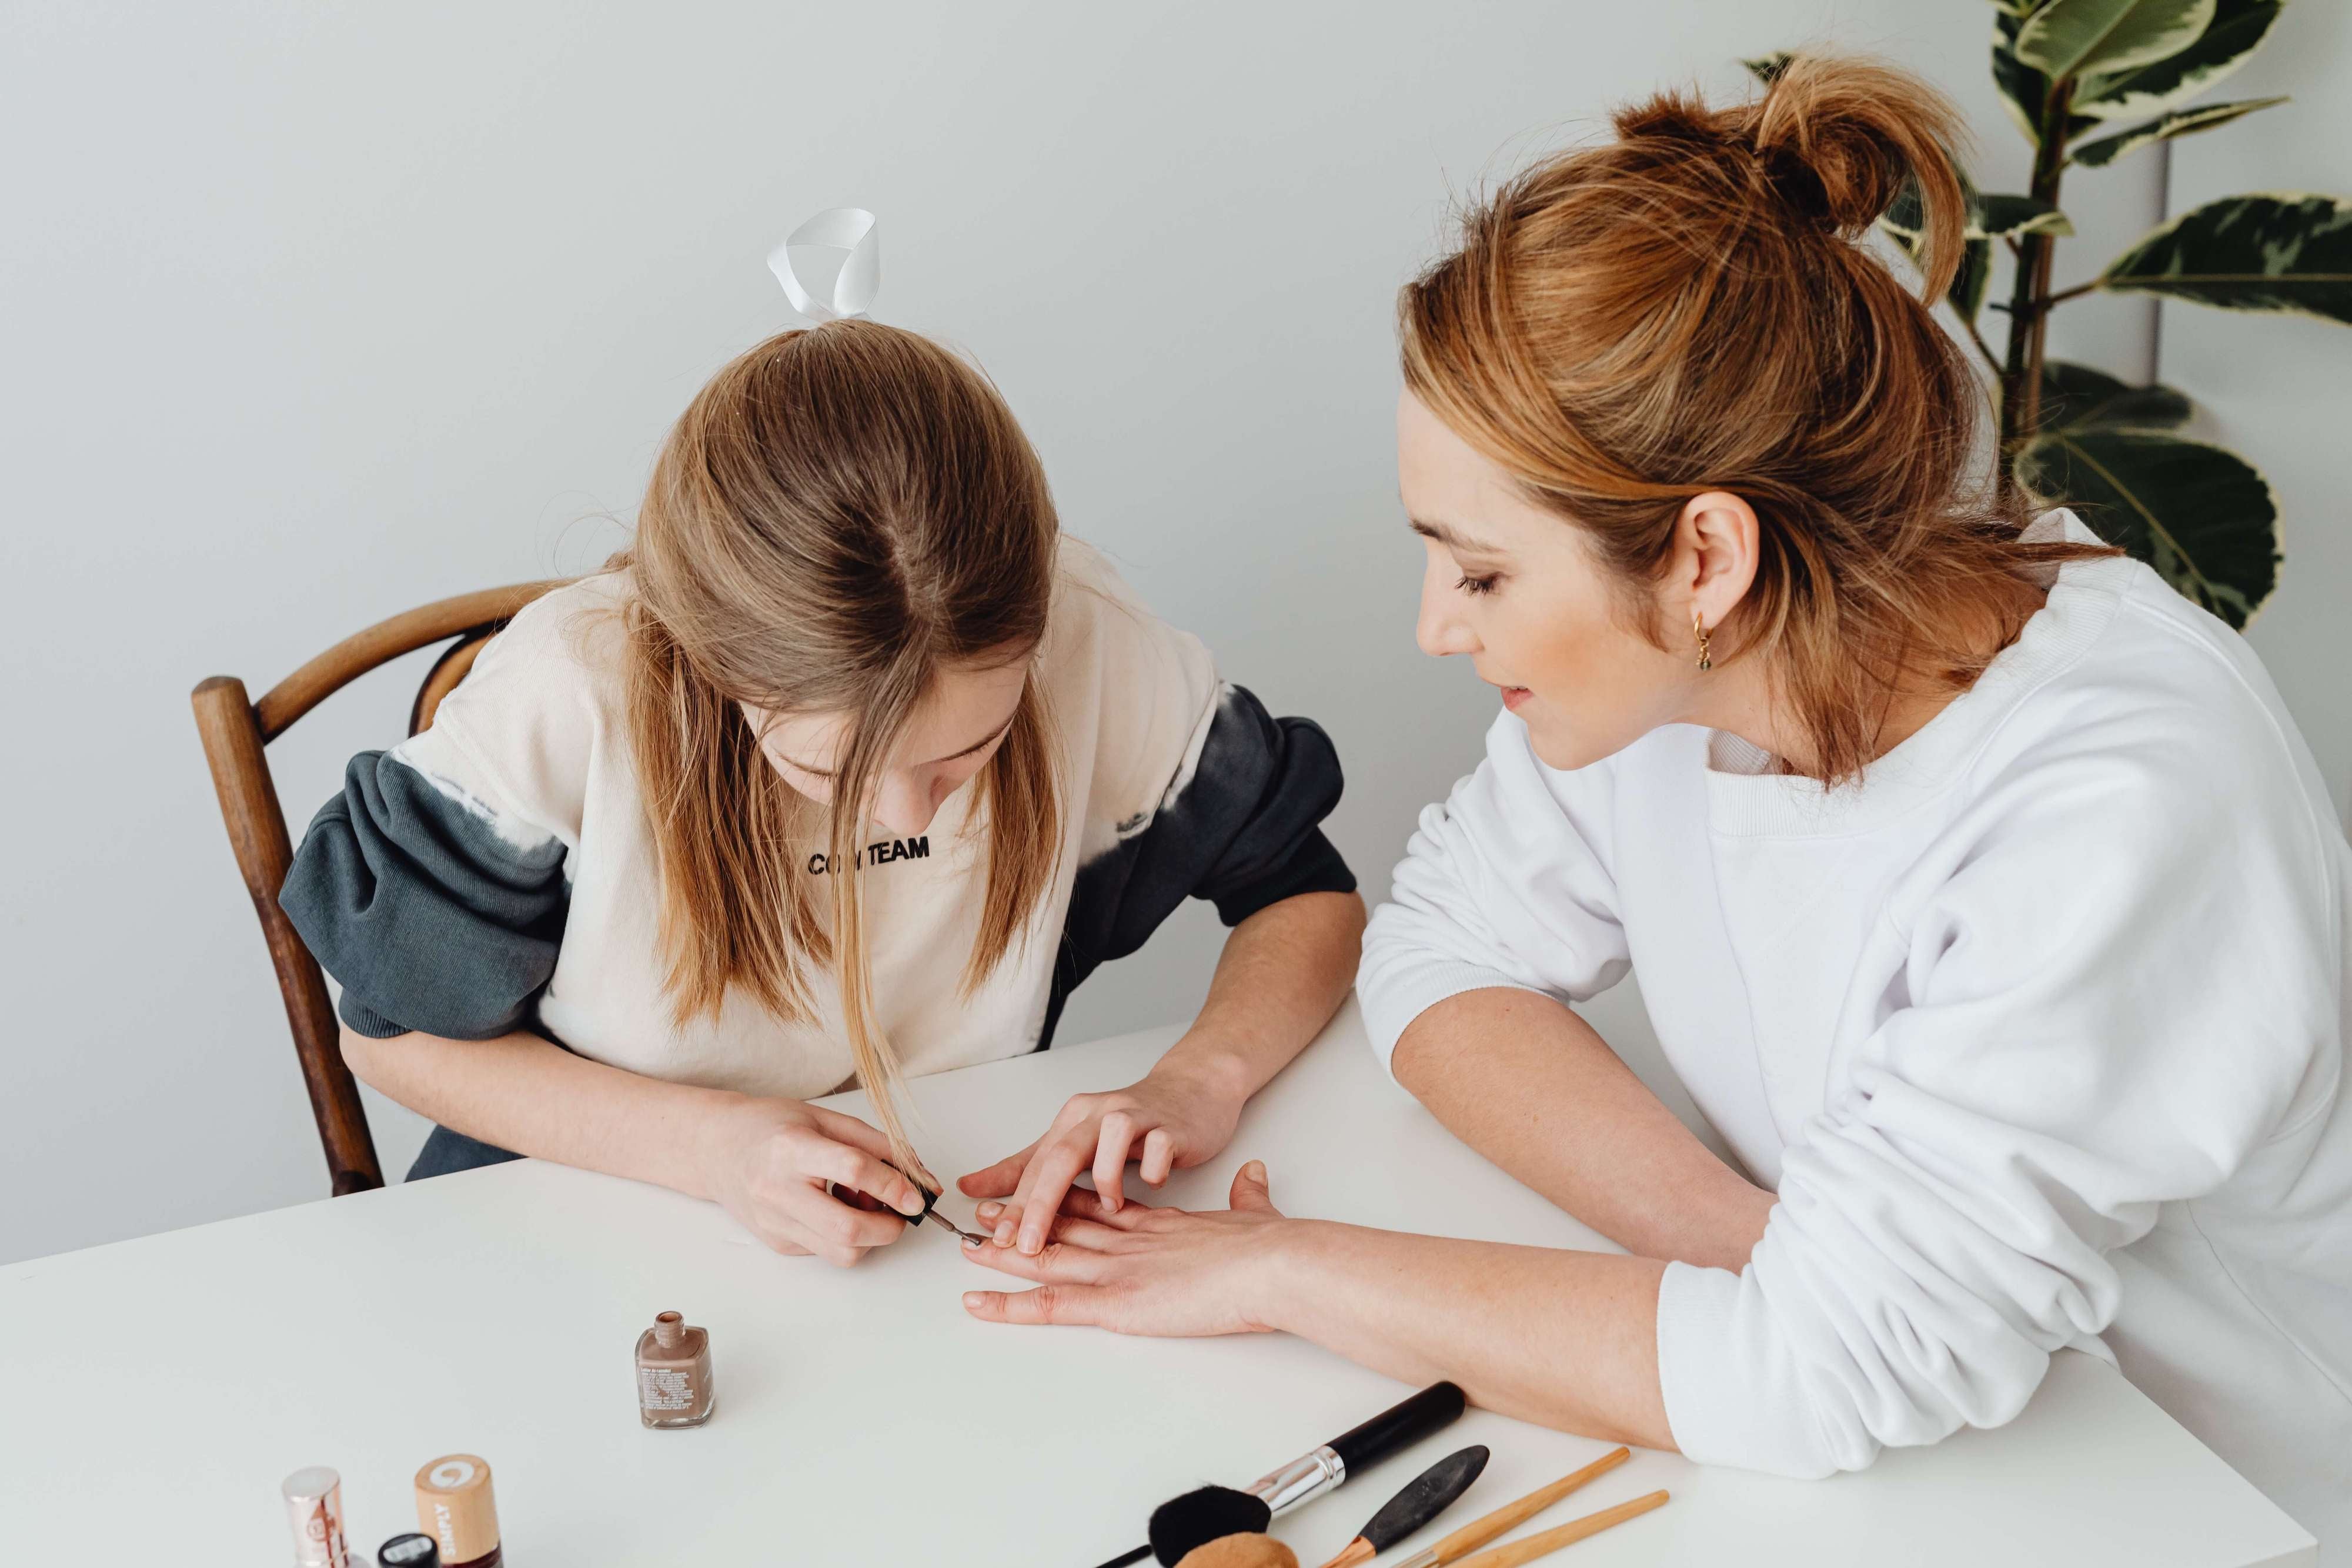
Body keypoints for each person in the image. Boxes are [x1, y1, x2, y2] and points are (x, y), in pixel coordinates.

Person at [954, 56, 2352, 1549]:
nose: (1437, 623)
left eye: (1482, 572)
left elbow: (1825, 1370)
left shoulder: (2110, 804)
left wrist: (1283, 1272)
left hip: (2203, 1493)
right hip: (1937, 1453)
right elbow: (1438, 953)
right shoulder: (1701, 671)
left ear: (1701, 558)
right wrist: (1754, 1251)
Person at [279, 319, 1365, 1266]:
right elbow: (388, 1038)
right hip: (580, 1205)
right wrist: (710, 1148)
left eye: (968, 750)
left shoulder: (1092, 643)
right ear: (708, 664)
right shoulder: (574, 690)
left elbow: (1304, 895)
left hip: (930, 1241)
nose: (908, 816)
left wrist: (1198, 1081)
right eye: (822, 772)